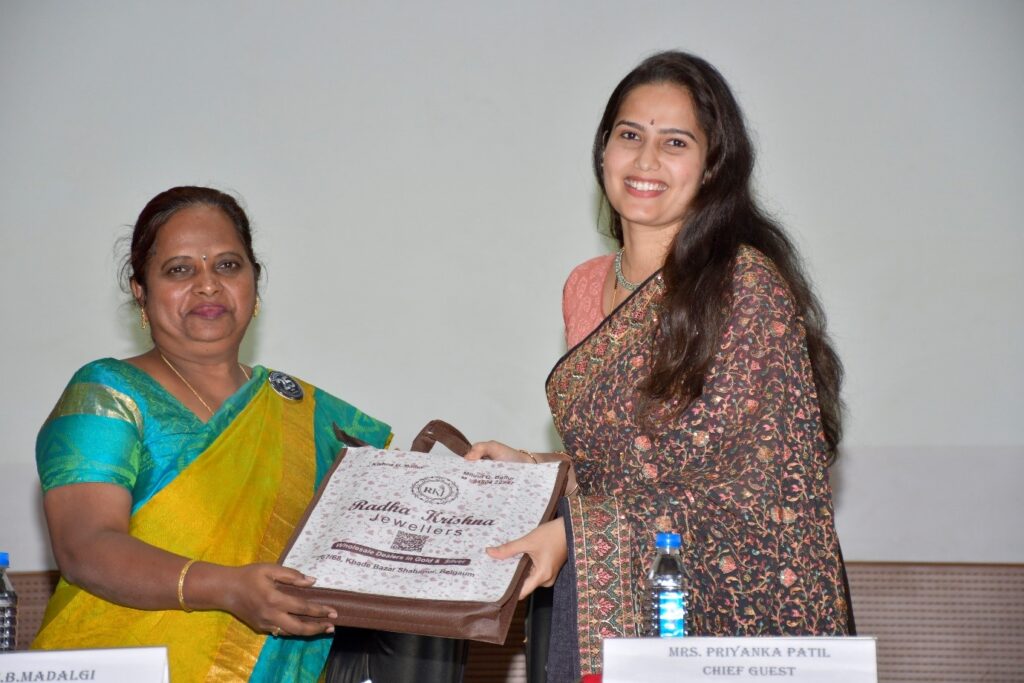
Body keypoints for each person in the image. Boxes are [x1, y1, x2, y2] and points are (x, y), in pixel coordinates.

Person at [466, 51, 852, 681]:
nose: (646, 161)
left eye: (675, 142)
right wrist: (538, 470)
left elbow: (761, 488)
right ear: (603, 151)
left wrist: (576, 535)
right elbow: (627, 467)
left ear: (712, 165)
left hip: (721, 625)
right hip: (602, 607)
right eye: (629, 136)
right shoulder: (585, 285)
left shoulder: (743, 287)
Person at [32, 186, 465, 682]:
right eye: (179, 270)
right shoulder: (108, 392)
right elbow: (85, 547)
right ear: (140, 291)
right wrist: (227, 588)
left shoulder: (311, 417)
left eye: (227, 265)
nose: (208, 285)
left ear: (254, 283)